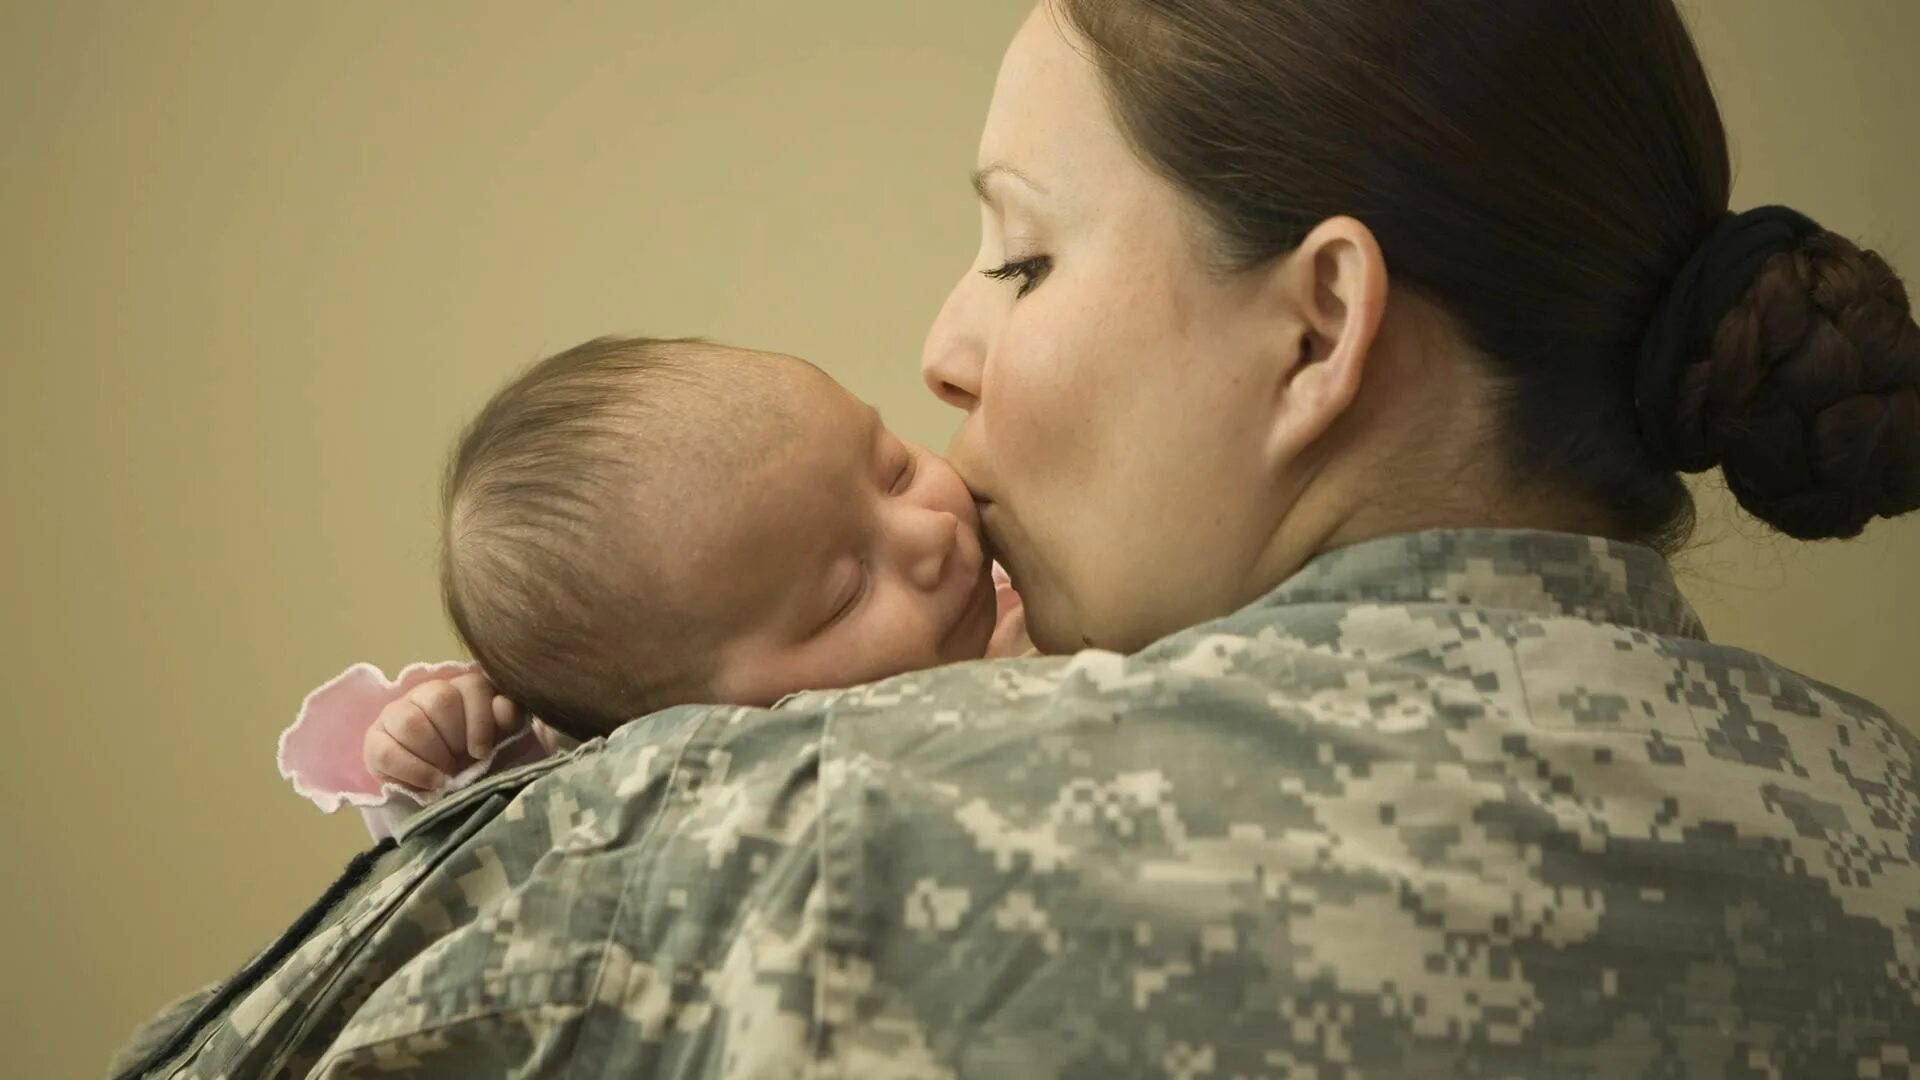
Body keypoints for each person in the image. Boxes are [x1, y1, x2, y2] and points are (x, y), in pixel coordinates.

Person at [114, 1, 1920, 1076]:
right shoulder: (1889, 833)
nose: (949, 349)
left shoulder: (767, 831)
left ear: (1317, 328)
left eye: (1025, 252)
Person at [273, 336, 1027, 840]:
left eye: (893, 468)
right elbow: (497, 860)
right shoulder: (703, 803)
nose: (930, 534)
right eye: (843, 594)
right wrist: (461, 759)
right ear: (684, 728)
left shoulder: (1022, 594)